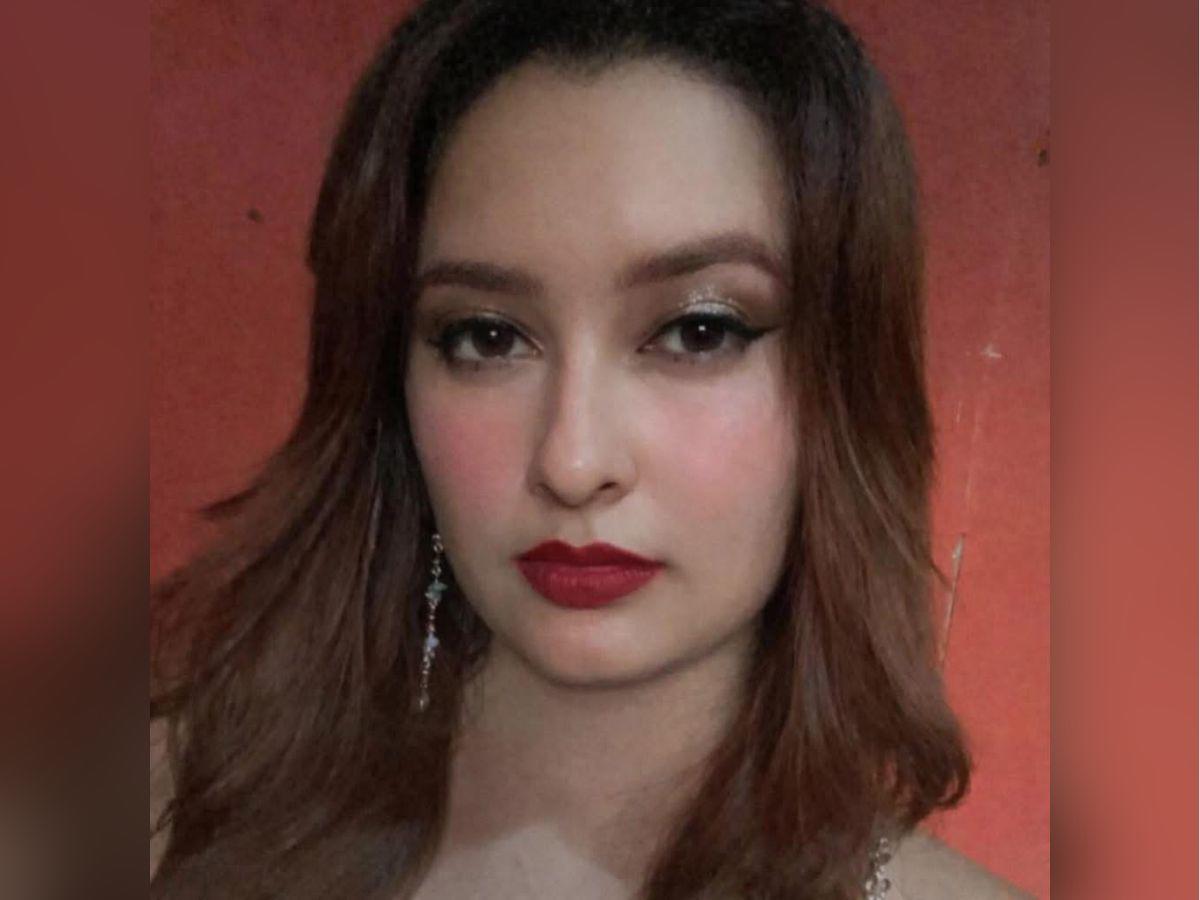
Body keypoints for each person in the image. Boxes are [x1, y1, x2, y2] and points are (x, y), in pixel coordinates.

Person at [150, 1, 1030, 897]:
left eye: (697, 332)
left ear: (843, 381)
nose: (572, 463)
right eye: (487, 337)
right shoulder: (154, 811)